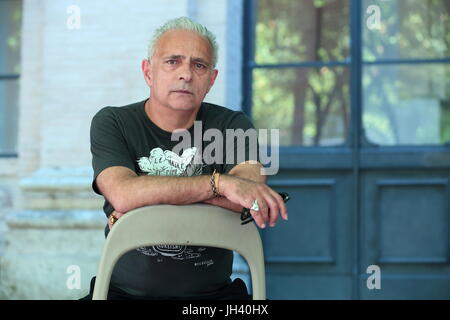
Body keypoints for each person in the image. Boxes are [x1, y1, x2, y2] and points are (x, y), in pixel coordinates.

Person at [82, 17, 288, 300]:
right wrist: (221, 185)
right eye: (172, 61)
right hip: (123, 295)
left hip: (214, 297)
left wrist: (142, 203)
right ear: (148, 72)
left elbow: (249, 199)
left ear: (211, 79)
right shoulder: (113, 122)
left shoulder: (233, 126)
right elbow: (122, 194)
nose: (186, 74)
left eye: (199, 65)